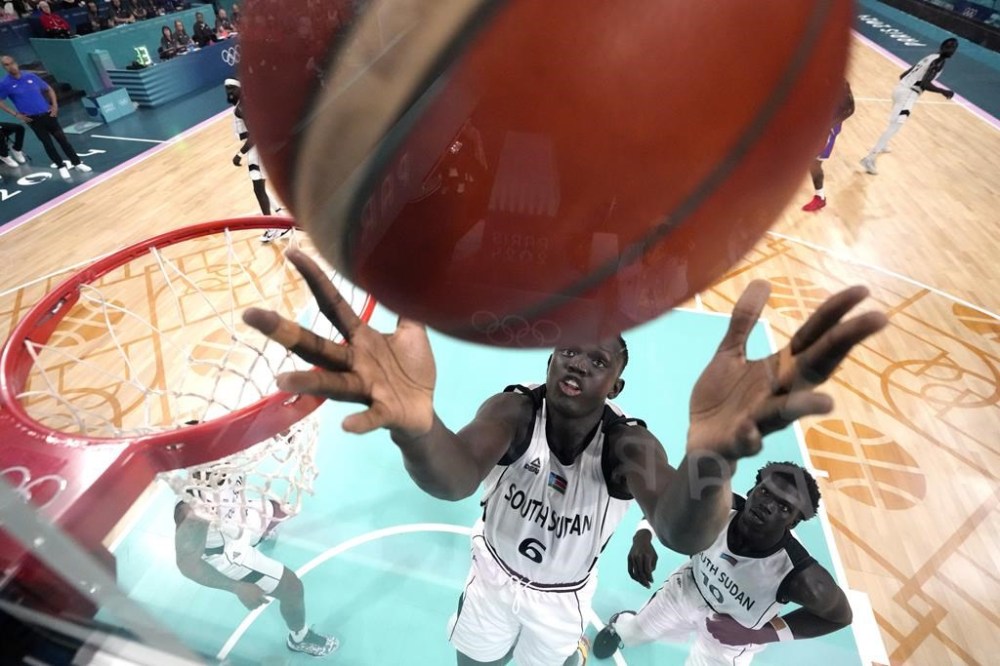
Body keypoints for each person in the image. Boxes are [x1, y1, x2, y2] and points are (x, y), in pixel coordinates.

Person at [241, 250, 886, 666]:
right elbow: (455, 477)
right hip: (491, 578)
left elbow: (683, 531)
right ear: (550, 359)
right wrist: (414, 426)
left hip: (561, 600)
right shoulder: (515, 411)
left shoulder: (628, 443)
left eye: (599, 359)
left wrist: (711, 456)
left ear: (617, 385)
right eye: (570, 351)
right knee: (475, 664)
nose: (579, 360)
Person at [592, 462, 852, 664]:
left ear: (793, 521)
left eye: (784, 507)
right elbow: (667, 497)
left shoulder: (800, 575)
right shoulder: (716, 503)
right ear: (752, 491)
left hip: (735, 631)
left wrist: (758, 635)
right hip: (689, 588)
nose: (768, 506)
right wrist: (643, 536)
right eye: (764, 492)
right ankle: (621, 626)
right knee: (635, 633)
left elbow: (840, 617)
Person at [173, 470, 339, 657]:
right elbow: (187, 564)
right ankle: (300, 639)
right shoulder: (193, 513)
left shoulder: (231, 459)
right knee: (292, 588)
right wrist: (236, 587)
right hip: (228, 553)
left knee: (280, 509)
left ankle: (257, 537)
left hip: (237, 519)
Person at [861, 38, 958, 175]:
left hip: (898, 89)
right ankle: (869, 158)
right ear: (944, 48)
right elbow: (924, 84)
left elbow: (903, 74)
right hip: (908, 95)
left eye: (953, 48)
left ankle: (883, 145)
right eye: (950, 47)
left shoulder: (931, 56)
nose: (951, 50)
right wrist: (943, 91)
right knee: (895, 126)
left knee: (893, 122)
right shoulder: (939, 62)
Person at [0, 55, 91, 179]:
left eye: (11, 62)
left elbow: (49, 89)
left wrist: (54, 105)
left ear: (15, 62)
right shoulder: (5, 84)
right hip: (33, 119)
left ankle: (77, 163)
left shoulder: (30, 76)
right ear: (3, 67)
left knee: (63, 140)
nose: (11, 66)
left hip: (48, 115)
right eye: (6, 64)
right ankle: (61, 166)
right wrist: (16, 114)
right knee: (48, 144)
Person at [224, 78, 287, 242]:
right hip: (262, 147)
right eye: (226, 89)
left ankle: (272, 227)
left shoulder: (244, 107)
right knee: (260, 189)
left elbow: (255, 135)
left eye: (231, 88)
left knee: (258, 189)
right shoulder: (246, 104)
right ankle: (280, 216)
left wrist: (239, 153)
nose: (229, 92)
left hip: (258, 150)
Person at [802, 81, 855, 212]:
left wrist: (827, 125)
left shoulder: (840, 82)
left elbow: (850, 109)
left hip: (826, 129)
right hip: (812, 123)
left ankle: (820, 198)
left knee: (814, 163)